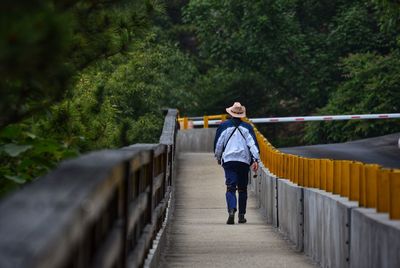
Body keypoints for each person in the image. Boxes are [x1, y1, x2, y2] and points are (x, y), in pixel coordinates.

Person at [214, 102, 260, 224]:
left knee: (230, 187)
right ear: (241, 115)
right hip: (244, 161)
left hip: (229, 160)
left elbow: (219, 145)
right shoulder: (247, 127)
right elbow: (253, 144)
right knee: (242, 189)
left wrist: (218, 157)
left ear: (230, 113)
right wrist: (256, 159)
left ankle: (231, 210)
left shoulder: (224, 126)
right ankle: (241, 215)